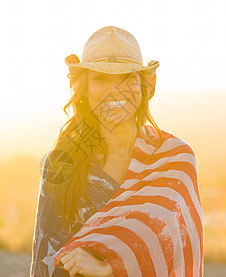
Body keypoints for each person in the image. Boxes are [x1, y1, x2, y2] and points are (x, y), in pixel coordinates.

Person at [30, 26, 204, 277]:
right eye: (101, 78)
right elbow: (45, 258)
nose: (115, 89)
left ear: (142, 85)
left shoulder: (175, 158)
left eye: (127, 78)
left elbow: (180, 254)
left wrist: (110, 267)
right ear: (84, 89)